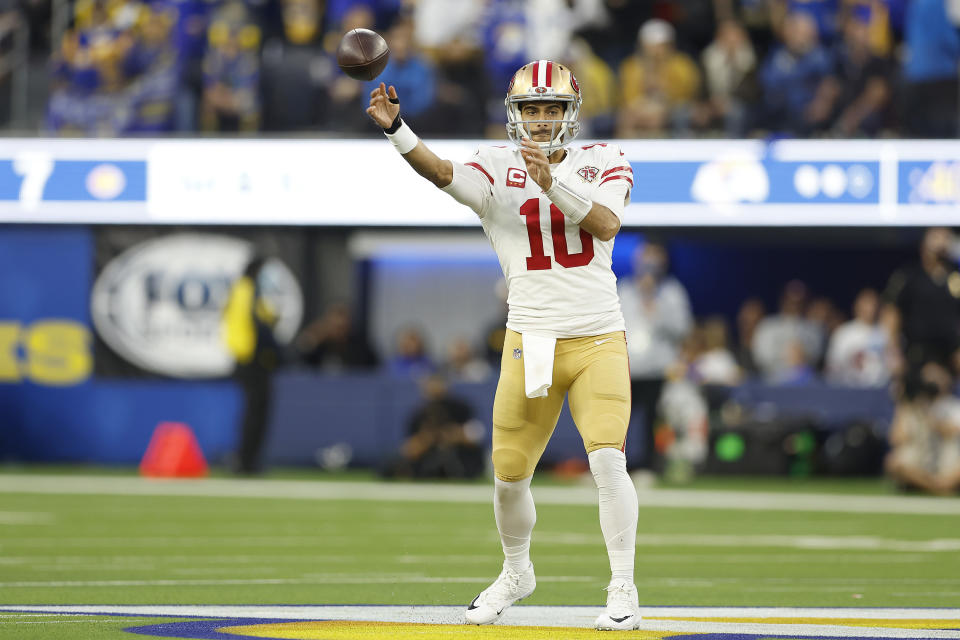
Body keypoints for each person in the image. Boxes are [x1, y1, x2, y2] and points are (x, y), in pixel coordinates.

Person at [366, 59, 640, 630]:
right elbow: (440, 171)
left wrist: (552, 183)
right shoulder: (495, 167)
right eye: (532, 110)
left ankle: (622, 587)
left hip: (596, 337)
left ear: (572, 113)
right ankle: (517, 572)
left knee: (608, 461)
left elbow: (607, 224)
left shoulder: (604, 159)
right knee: (508, 475)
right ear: (516, 115)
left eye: (552, 109)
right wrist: (398, 131)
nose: (542, 121)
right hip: (531, 339)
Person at [618, 240, 693, 473]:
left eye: (655, 257)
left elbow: (683, 328)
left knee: (652, 419)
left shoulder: (671, 291)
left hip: (656, 368)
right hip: (626, 366)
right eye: (645, 256)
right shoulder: (625, 289)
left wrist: (655, 307)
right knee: (618, 419)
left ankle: (648, 467)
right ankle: (615, 468)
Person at [221, 255, 281, 475]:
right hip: (251, 359)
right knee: (255, 412)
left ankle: (249, 460)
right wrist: (277, 350)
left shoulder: (247, 291)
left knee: (257, 411)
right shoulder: (245, 290)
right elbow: (258, 325)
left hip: (253, 359)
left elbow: (266, 319)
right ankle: (246, 461)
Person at [380, 374, 485, 479]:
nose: (434, 388)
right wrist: (425, 440)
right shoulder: (419, 413)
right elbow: (410, 447)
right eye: (431, 385)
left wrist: (456, 435)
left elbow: (476, 435)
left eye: (438, 384)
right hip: (429, 455)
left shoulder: (460, 408)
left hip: (459, 453)